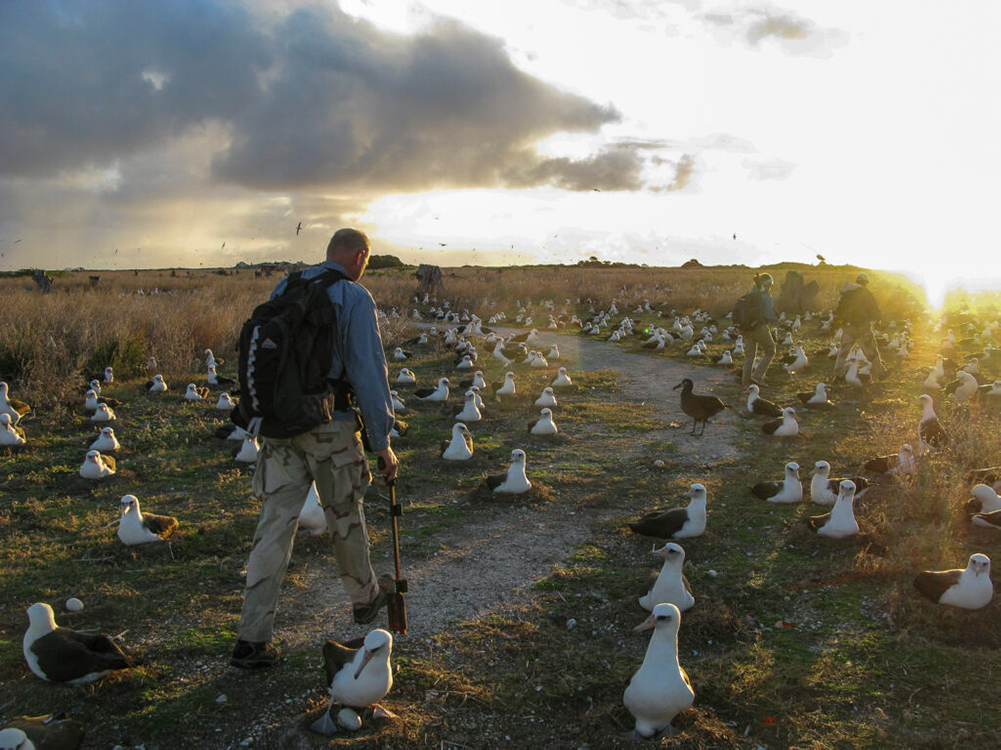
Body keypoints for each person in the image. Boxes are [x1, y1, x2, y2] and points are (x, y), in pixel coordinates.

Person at [230, 228, 399, 670]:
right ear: (360, 256)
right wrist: (382, 441)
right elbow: (367, 369)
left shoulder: (288, 285)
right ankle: (363, 599)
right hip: (331, 426)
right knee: (343, 513)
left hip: (282, 428)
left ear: (328, 253)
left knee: (274, 526)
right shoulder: (353, 296)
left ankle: (251, 639)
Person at [833, 272, 887, 380]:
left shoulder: (847, 293)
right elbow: (874, 310)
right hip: (862, 327)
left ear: (857, 280)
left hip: (848, 327)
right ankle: (881, 373)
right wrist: (877, 319)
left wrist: (841, 322)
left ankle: (838, 375)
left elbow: (839, 310)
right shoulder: (866, 293)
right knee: (871, 351)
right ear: (866, 282)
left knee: (843, 352)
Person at [740, 272, 778, 387]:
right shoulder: (766, 296)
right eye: (770, 285)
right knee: (771, 350)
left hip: (746, 328)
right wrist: (775, 322)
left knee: (749, 356)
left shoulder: (750, 294)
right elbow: (768, 314)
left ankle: (746, 384)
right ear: (767, 285)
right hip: (759, 327)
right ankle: (757, 376)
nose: (771, 288)